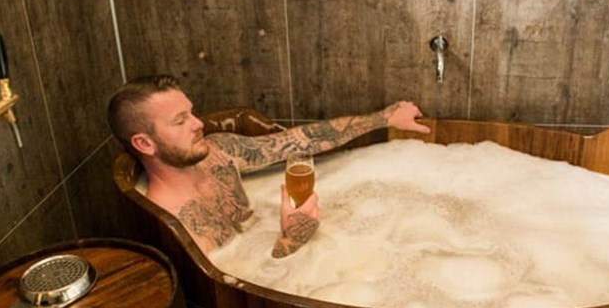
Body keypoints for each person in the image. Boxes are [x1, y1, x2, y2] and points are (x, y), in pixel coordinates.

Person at [108, 74, 431, 258]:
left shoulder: (218, 152)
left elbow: (299, 140)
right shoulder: (171, 223)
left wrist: (385, 118)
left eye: (192, 112)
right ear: (144, 144)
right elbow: (233, 290)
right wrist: (291, 240)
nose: (197, 123)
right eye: (180, 121)